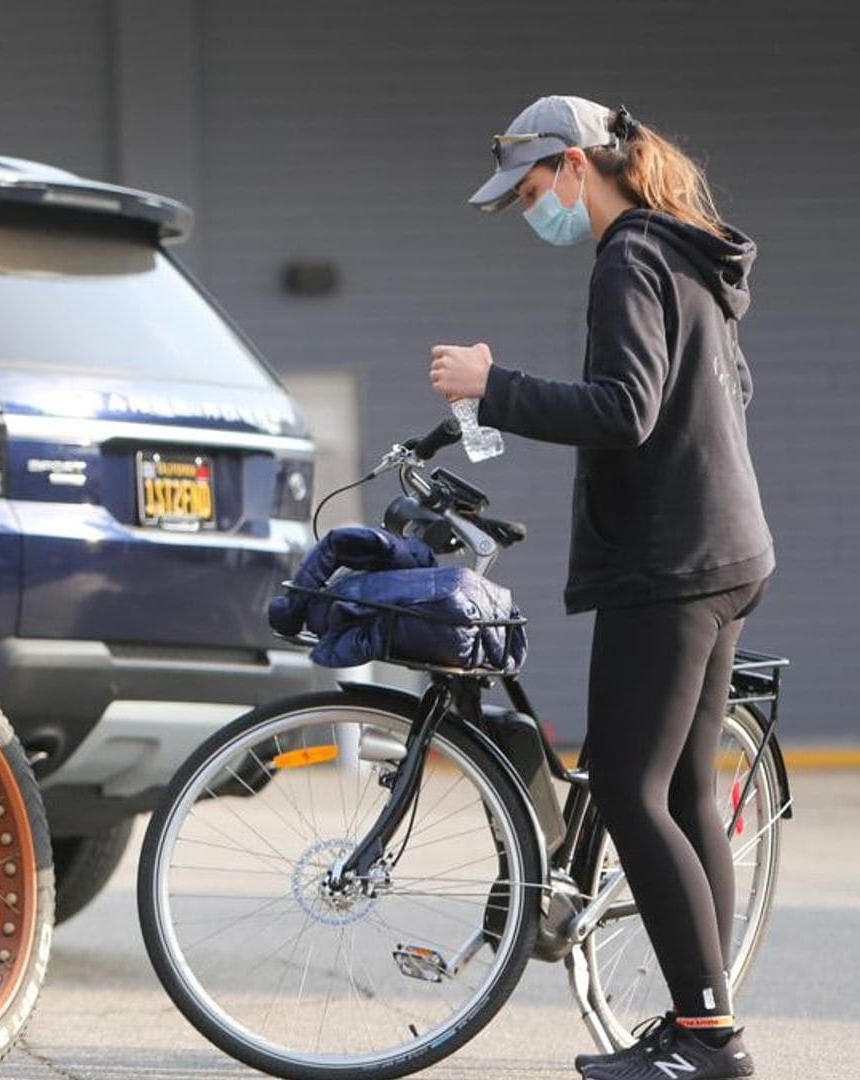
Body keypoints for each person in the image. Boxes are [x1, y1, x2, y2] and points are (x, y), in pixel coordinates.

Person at [431, 95, 772, 1080]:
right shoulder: (689, 253)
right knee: (684, 791)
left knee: (627, 786)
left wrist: (489, 385)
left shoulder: (629, 254)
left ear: (578, 164)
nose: (536, 208)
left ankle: (708, 1041)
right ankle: (703, 1022)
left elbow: (627, 409)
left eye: (535, 187)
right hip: (726, 550)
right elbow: (726, 394)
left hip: (668, 563)